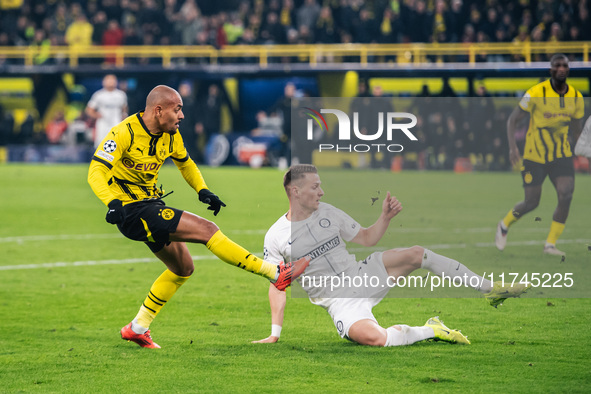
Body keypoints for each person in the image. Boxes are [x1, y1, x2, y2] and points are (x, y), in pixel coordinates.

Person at [87, 85, 309, 349]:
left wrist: (202, 190)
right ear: (158, 110)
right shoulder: (123, 132)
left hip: (149, 205)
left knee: (183, 269)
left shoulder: (171, 135)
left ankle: (138, 327)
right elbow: (96, 171)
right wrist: (112, 202)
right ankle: (274, 272)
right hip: (132, 211)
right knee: (207, 230)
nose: (181, 116)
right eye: (177, 109)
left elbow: (186, 163)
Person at [253, 164, 529, 347]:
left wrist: (384, 217)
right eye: (315, 187)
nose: (322, 191)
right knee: (375, 338)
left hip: (361, 275)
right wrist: (274, 335)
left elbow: (366, 238)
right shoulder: (275, 236)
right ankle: (432, 329)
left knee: (418, 254)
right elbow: (277, 286)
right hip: (339, 302)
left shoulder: (328, 211)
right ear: (296, 191)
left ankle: (490, 289)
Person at [495, 54, 585, 256]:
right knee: (531, 202)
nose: (561, 68)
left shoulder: (577, 98)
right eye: (557, 65)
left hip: (561, 154)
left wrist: (584, 151)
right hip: (534, 156)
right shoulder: (536, 92)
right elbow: (512, 120)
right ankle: (504, 224)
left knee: (566, 193)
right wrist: (512, 148)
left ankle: (550, 244)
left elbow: (577, 129)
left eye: (564, 65)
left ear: (568, 70)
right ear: (551, 70)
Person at [85, 74, 128, 148]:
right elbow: (89, 109)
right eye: (108, 80)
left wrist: (124, 116)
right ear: (104, 82)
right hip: (102, 124)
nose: (111, 82)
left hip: (116, 123)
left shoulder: (121, 95)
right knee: (101, 144)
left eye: (113, 80)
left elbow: (124, 107)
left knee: (117, 144)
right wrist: (96, 115)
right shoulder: (99, 95)